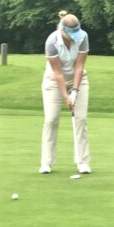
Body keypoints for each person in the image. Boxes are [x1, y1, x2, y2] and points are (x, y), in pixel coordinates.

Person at [39, 13, 91, 174]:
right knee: (51, 119)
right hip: (54, 81)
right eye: (71, 34)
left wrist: (74, 92)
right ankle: (46, 162)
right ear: (62, 30)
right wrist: (66, 96)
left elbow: (80, 67)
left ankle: (82, 162)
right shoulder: (52, 41)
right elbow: (58, 73)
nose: (74, 37)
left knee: (80, 119)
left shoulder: (83, 37)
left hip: (78, 79)